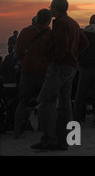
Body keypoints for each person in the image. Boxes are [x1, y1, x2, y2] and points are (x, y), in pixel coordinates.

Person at [31, 0, 89, 151]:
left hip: (60, 67)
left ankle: (50, 138)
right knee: (65, 104)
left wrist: (56, 60)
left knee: (45, 101)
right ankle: (63, 141)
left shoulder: (61, 23)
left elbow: (61, 45)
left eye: (51, 7)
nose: (50, 10)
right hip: (71, 67)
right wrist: (74, 55)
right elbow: (84, 43)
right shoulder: (73, 23)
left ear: (55, 8)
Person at [14, 9, 52, 139]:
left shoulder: (24, 32)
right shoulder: (50, 34)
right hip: (44, 73)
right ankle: (42, 127)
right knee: (45, 102)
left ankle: (17, 131)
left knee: (22, 102)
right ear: (49, 20)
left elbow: (18, 51)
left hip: (27, 71)